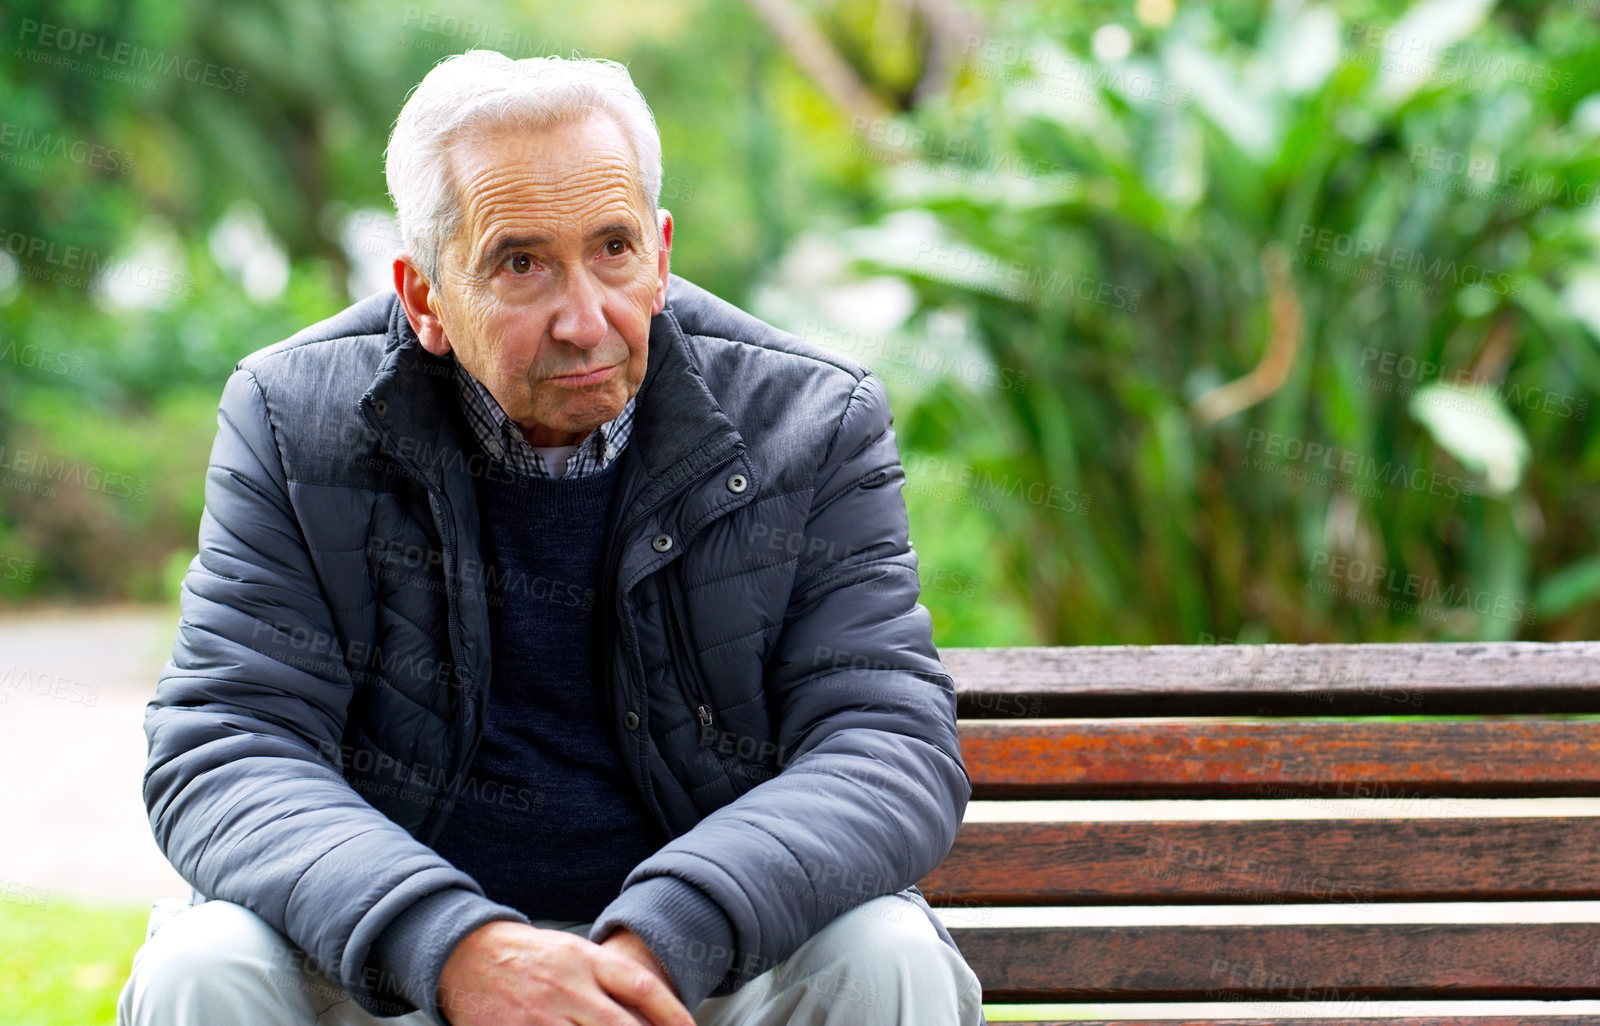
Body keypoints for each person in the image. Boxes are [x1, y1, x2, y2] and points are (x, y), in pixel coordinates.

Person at [117, 49, 981, 1026]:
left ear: (659, 254)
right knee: (205, 965)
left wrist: (664, 936)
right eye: (520, 263)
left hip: (703, 968)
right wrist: (456, 947)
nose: (584, 320)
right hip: (405, 971)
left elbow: (884, 740)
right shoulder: (290, 417)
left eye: (613, 249)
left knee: (887, 953)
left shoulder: (813, 420)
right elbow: (230, 743)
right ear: (424, 298)